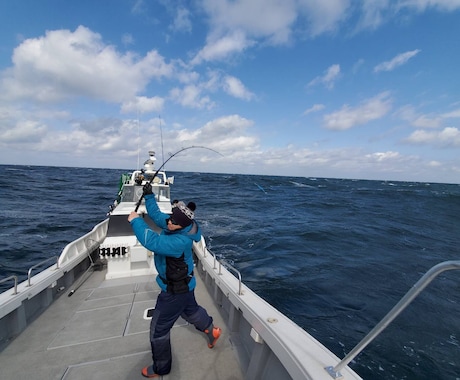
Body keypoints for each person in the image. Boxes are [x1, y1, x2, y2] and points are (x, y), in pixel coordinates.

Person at [128, 183, 221, 378]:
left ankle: (161, 368)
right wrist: (149, 196)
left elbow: (152, 242)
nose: (169, 223)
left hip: (173, 292)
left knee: (158, 331)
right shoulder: (176, 223)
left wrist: (136, 220)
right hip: (186, 287)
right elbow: (157, 216)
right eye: (170, 219)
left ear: (183, 226)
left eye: (174, 223)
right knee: (191, 311)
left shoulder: (181, 241)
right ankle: (212, 330)